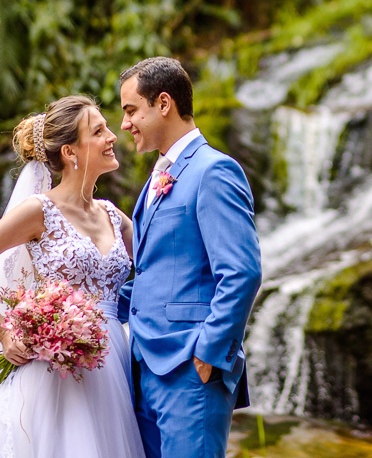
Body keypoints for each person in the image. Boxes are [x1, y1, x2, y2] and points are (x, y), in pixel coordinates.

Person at [0, 95, 145, 458]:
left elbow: (156, 269)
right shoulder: (39, 211)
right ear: (70, 152)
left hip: (112, 365)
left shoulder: (115, 217)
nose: (113, 136)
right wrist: (5, 332)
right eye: (99, 131)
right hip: (52, 374)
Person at [118, 56, 263, 458]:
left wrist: (209, 354)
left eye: (131, 111)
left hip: (190, 369)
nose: (125, 124)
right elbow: (154, 272)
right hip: (142, 366)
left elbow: (242, 272)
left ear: (163, 103)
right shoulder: (157, 177)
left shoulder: (214, 171)